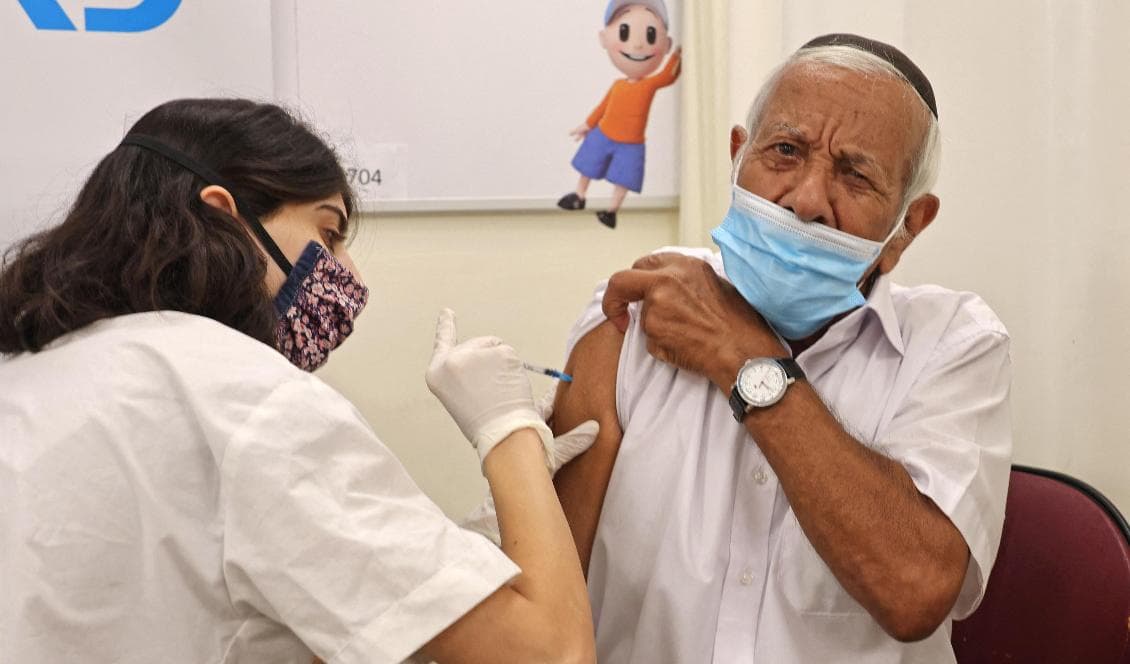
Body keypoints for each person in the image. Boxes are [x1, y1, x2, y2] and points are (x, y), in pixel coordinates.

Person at [0, 98, 597, 664]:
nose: (348, 272)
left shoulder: (32, 371)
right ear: (220, 213)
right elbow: (551, 652)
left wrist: (454, 563)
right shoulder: (247, 397)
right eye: (328, 232)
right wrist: (509, 433)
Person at [550, 34, 1012, 662]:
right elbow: (547, 604)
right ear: (739, 156)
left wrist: (742, 357)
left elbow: (915, 591)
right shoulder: (636, 310)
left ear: (908, 224)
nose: (806, 200)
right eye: (786, 151)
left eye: (854, 174)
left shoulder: (953, 343)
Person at [555, 0, 682, 229]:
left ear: (666, 44)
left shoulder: (650, 84)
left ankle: (611, 211)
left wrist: (677, 56)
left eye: (650, 35)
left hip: (631, 144)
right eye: (624, 32)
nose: (637, 46)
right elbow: (602, 107)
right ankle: (579, 196)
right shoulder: (617, 86)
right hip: (604, 133)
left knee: (624, 177)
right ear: (605, 38)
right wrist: (587, 124)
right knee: (588, 163)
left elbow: (668, 76)